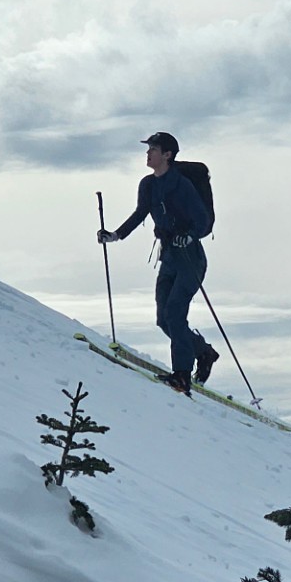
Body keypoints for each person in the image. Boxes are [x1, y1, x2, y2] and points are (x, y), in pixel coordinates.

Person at [99, 132, 218, 393]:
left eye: (153, 149)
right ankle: (204, 353)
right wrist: (116, 235)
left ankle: (182, 375)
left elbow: (203, 221)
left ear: (168, 155)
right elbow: (140, 213)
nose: (148, 153)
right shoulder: (148, 184)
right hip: (168, 257)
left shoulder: (182, 184)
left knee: (175, 313)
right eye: (149, 149)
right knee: (164, 320)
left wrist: (188, 236)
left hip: (190, 258)